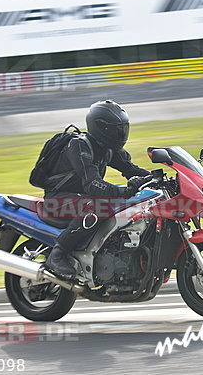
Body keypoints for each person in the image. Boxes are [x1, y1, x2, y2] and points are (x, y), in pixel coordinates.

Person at [43, 100, 151, 278]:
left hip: (80, 199)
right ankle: (58, 254)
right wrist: (124, 191)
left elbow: (131, 169)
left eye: (123, 128)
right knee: (99, 206)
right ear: (103, 128)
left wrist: (159, 178)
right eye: (118, 129)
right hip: (57, 200)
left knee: (124, 206)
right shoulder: (79, 146)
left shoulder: (108, 149)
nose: (122, 133)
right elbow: (92, 184)